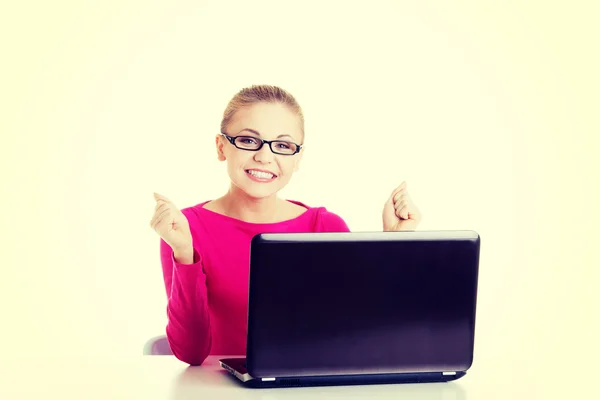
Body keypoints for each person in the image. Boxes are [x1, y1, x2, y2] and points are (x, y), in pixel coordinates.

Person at [150, 84, 422, 365]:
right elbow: (191, 353)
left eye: (282, 145)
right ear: (221, 147)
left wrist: (395, 245)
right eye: (248, 140)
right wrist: (184, 253)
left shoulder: (325, 227)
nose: (265, 157)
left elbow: (363, 335)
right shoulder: (184, 229)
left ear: (297, 159)